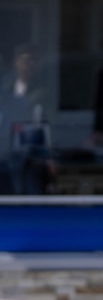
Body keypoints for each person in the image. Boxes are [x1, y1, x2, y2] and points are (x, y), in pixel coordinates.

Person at [0, 43, 53, 194]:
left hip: (29, 153)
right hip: (6, 155)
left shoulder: (42, 93)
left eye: (33, 60)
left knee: (29, 191)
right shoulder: (6, 90)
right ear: (15, 63)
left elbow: (45, 125)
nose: (28, 65)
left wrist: (48, 156)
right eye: (24, 60)